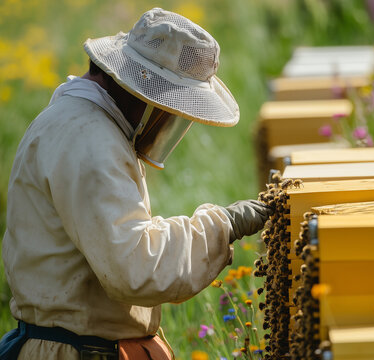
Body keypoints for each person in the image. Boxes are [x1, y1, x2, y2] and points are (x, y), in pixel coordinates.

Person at [0, 8, 272, 360]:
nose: (167, 118)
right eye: (169, 105)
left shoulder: (78, 123)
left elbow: (122, 239)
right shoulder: (90, 140)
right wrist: (223, 225)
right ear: (141, 89)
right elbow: (133, 267)